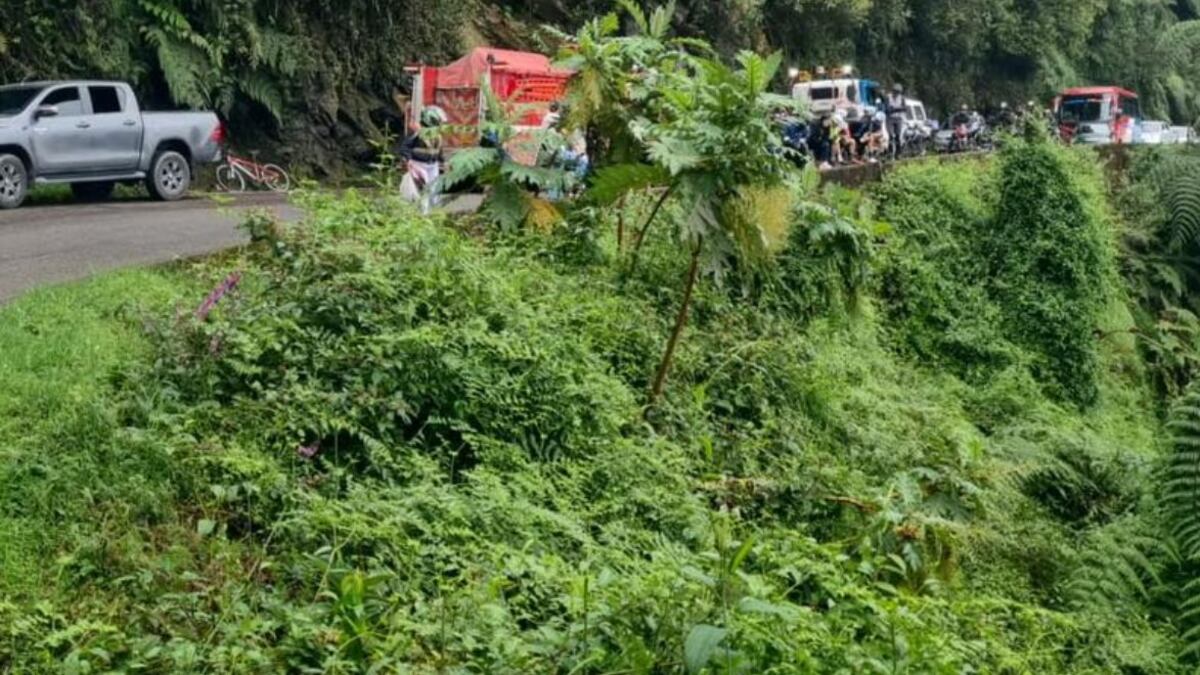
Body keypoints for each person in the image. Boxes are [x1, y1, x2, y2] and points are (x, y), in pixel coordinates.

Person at [401, 106, 446, 214]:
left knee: (434, 192)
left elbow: (438, 150)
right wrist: (408, 160)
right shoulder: (417, 132)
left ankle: (431, 213)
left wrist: (443, 162)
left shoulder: (437, 135)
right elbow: (404, 147)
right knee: (423, 191)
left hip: (432, 166)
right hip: (419, 165)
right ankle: (422, 215)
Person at [886, 84, 907, 159]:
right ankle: (890, 153)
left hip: (898, 119)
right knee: (891, 136)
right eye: (895, 92)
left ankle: (898, 154)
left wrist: (894, 109)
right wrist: (898, 108)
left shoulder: (902, 98)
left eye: (898, 92)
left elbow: (905, 108)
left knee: (898, 136)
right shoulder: (888, 97)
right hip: (890, 119)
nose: (896, 94)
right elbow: (888, 109)